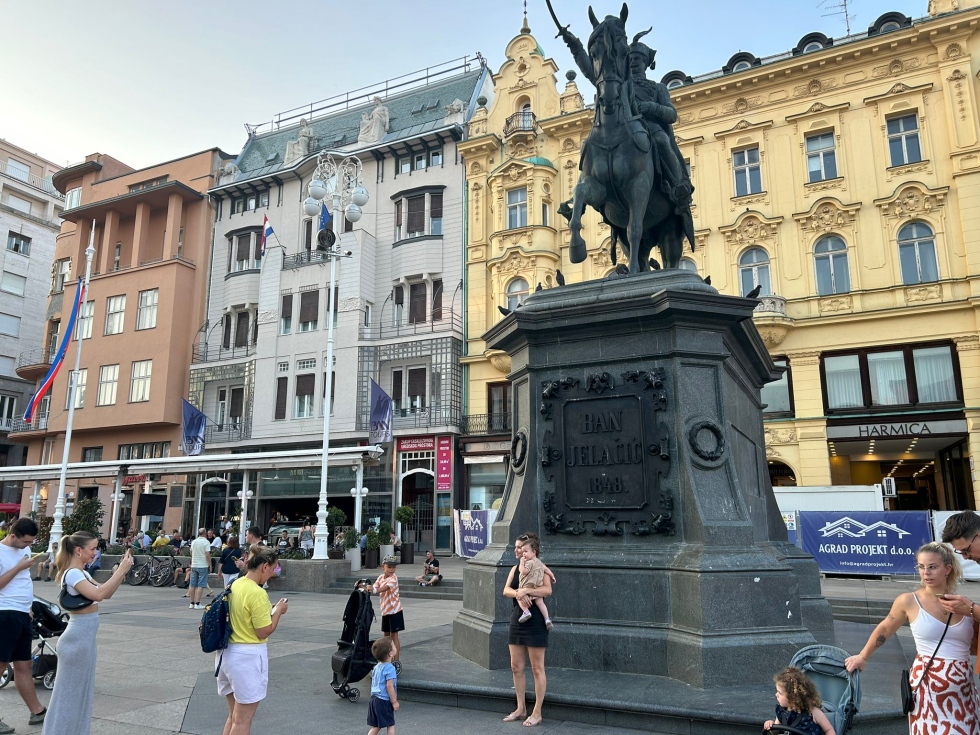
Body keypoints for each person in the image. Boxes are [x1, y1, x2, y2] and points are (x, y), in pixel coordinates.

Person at [845, 542, 979, 734]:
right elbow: (886, 627)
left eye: (932, 567)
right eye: (921, 567)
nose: (926, 573)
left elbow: (974, 645)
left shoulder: (964, 604)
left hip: (963, 692)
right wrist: (863, 656)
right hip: (927, 689)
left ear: (947, 569)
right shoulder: (909, 600)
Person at [41, 531, 134, 735]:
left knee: (79, 694)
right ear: (78, 550)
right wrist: (120, 572)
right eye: (92, 548)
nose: (95, 552)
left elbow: (105, 593)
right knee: (69, 695)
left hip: (83, 639)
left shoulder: (82, 572)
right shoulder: (73, 573)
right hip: (77, 640)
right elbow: (99, 594)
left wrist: (120, 572)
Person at [217, 545, 288, 735]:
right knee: (243, 721)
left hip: (226, 654)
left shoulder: (235, 584)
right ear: (264, 566)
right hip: (246, 657)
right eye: (273, 569)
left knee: (233, 716)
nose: (272, 574)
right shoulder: (257, 593)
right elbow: (264, 631)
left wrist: (268, 610)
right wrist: (278, 611)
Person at [0, 518, 47, 733]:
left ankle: (37, 711)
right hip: (4, 613)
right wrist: (19, 567)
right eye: (26, 542)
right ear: (13, 535)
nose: (28, 546)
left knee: (24, 665)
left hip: (21, 614)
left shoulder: (23, 552)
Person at [502, 533, 553, 727]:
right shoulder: (515, 569)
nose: (518, 551)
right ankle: (521, 707)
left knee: (537, 668)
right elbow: (506, 590)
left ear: (531, 550)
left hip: (536, 621)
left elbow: (547, 590)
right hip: (518, 618)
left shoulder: (540, 567)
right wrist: (517, 592)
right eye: (517, 548)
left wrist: (527, 591)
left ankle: (537, 712)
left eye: (521, 548)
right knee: (516, 666)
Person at [763, 667, 835, 735]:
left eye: (780, 693)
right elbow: (775, 731)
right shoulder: (782, 712)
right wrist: (770, 725)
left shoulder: (813, 712)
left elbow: (829, 730)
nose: (776, 695)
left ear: (793, 697)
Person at [364, 555, 404, 662]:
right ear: (383, 567)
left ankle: (396, 661)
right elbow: (375, 586)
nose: (392, 569)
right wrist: (364, 587)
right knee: (386, 636)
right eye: (389, 567)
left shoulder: (394, 578)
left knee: (394, 636)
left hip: (395, 611)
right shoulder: (381, 577)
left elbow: (385, 588)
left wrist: (375, 590)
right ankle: (387, 659)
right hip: (385, 611)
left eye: (394, 567)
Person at [517, 538, 553, 631]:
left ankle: (526, 612)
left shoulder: (529, 563)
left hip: (527, 586)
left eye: (526, 551)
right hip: (537, 587)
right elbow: (547, 570)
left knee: (519, 597)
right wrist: (552, 577)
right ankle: (547, 619)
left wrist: (521, 564)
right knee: (540, 603)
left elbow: (524, 572)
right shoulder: (540, 563)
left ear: (534, 552)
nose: (523, 553)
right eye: (523, 551)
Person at [366, 637, 399, 735]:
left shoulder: (376, 667)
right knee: (391, 724)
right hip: (384, 700)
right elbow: (389, 686)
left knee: (376, 726)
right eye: (393, 645)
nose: (395, 646)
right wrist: (394, 702)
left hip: (374, 699)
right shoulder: (390, 668)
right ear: (390, 653)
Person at [188, 527, 212, 610]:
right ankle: (197, 603)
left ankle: (191, 603)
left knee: (192, 584)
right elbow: (207, 554)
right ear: (205, 533)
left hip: (194, 565)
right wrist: (210, 565)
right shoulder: (206, 542)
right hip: (203, 565)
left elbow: (191, 552)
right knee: (201, 585)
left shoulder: (194, 542)